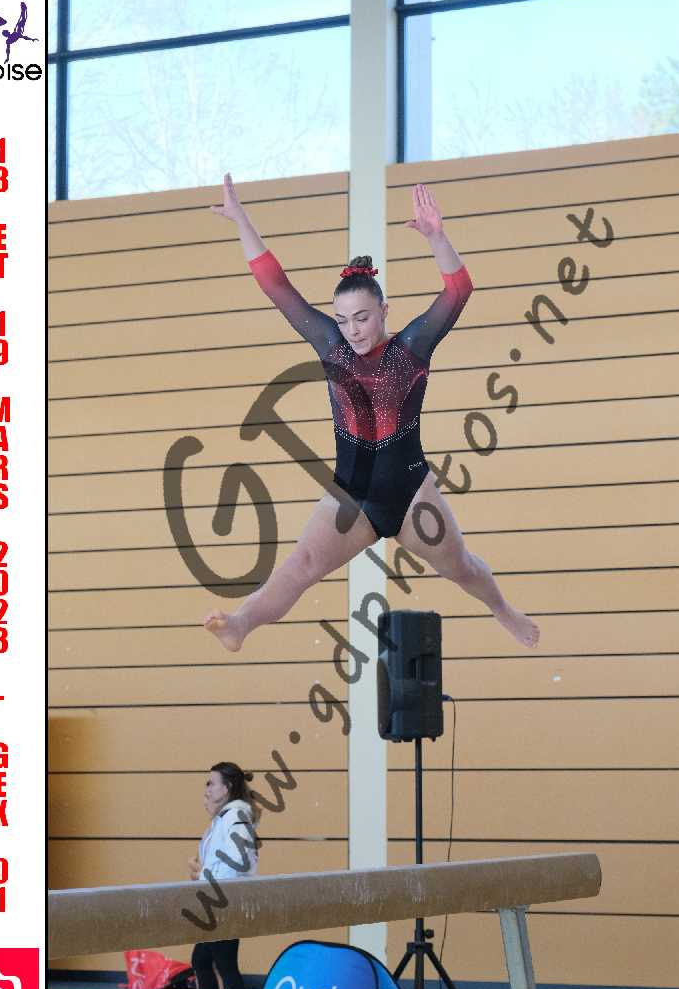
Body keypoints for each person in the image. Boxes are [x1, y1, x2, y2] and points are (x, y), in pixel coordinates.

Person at [203, 173, 540, 653]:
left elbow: (458, 290)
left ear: (384, 310)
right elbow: (276, 286)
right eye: (343, 320)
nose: (353, 330)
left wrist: (436, 237)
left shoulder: (412, 346)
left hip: (411, 495)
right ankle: (240, 623)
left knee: (462, 567)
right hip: (351, 497)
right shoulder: (331, 346)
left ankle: (503, 609)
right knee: (300, 566)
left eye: (362, 317)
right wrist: (241, 220)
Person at [189, 761, 261, 989]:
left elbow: (241, 863)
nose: (207, 788)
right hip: (215, 898)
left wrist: (204, 877)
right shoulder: (224, 818)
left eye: (211, 783)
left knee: (225, 964)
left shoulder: (238, 816)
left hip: (226, 900)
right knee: (202, 960)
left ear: (227, 787)